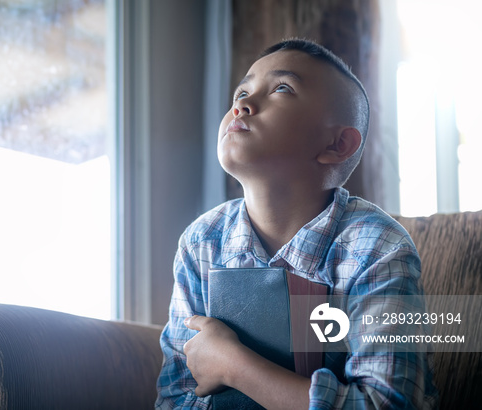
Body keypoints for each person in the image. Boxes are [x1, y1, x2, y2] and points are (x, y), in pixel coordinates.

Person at [155, 38, 438, 409]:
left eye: (282, 88)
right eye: (241, 91)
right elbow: (175, 397)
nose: (241, 104)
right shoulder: (201, 242)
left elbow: (386, 404)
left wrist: (233, 366)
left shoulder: (378, 248)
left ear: (337, 145)